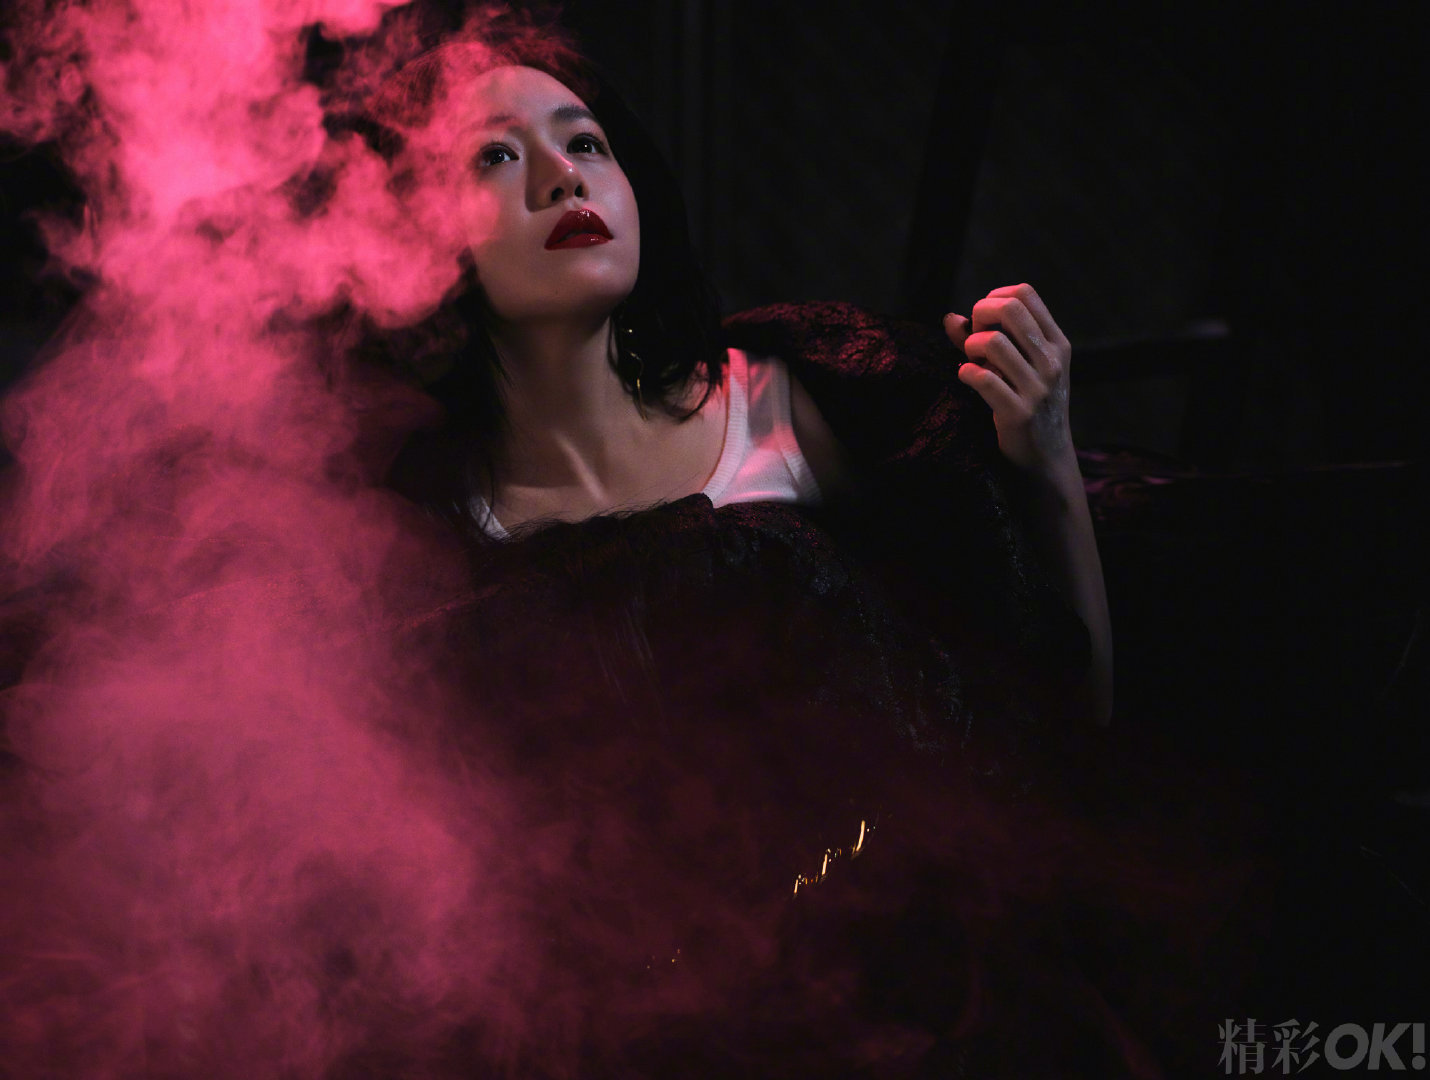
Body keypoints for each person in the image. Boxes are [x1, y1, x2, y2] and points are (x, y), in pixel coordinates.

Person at [349, 18, 1131, 1077]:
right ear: (409, 247)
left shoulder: (813, 397)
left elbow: (1068, 728)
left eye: (585, 143)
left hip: (924, 997)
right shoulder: (428, 543)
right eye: (494, 156)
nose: (561, 178)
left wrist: (1046, 457)